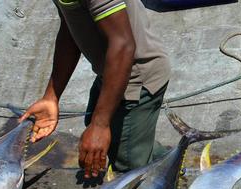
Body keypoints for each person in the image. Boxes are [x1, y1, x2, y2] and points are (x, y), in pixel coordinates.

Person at [20, 0, 171, 178]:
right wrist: (51, 96)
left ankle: (163, 172)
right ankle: (162, 157)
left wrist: (100, 125)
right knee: (101, 130)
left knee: (129, 171)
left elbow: (123, 45)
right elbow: (70, 29)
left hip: (138, 79)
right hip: (110, 73)